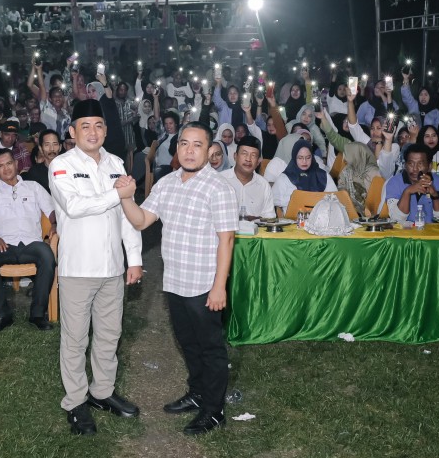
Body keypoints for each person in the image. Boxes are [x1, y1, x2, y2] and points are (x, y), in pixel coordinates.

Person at [118, 121, 238, 436]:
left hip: (204, 285)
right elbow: (143, 221)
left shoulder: (218, 188)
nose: (189, 150)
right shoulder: (168, 183)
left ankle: (213, 411)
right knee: (188, 342)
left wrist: (219, 287)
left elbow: (227, 240)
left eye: (197, 145)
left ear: (211, 150)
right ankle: (198, 393)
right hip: (175, 281)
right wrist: (127, 198)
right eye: (184, 143)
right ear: (177, 146)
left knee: (210, 347)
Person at [48, 99, 142, 436]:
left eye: (99, 125)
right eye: (84, 126)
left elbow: (129, 218)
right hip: (78, 267)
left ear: (106, 130)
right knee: (75, 339)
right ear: (72, 132)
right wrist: (118, 195)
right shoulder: (61, 165)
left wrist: (134, 260)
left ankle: (102, 392)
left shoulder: (116, 163)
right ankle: (75, 401)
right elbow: (74, 207)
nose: (92, 132)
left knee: (109, 334)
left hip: (112, 267)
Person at [0, 149, 57, 332]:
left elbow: (51, 210)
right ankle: (2, 315)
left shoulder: (33, 187)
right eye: (0, 166)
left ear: (16, 164)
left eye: (9, 163)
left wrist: (55, 223)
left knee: (47, 256)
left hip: (31, 243)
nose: (6, 169)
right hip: (3, 244)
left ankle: (37, 314)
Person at [383, 144, 439, 225]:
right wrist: (407, 192)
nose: (415, 169)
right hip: (405, 232)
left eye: (420, 164)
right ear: (405, 165)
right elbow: (396, 219)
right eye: (411, 163)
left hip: (432, 233)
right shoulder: (394, 182)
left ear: (429, 166)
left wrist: (434, 194)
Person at [220, 135, 275, 220]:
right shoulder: (221, 180)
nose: (248, 159)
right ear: (235, 156)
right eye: (244, 154)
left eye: (253, 155)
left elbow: (269, 218)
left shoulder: (263, 185)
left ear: (258, 161)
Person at [272, 140, 336, 213]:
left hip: (321, 220)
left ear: (312, 157)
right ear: (294, 157)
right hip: (294, 221)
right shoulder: (285, 177)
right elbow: (273, 199)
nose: (304, 161)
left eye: (308, 157)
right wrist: (297, 199)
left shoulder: (323, 176)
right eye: (300, 158)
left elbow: (335, 199)